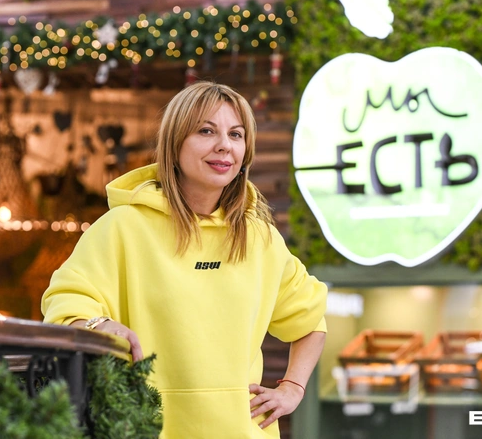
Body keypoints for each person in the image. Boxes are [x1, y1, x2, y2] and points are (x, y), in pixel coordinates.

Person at [41, 81, 327, 438]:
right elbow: (65, 303)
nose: (224, 145)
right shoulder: (123, 227)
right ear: (174, 145)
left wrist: (293, 387)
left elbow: (311, 320)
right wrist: (98, 325)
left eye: (236, 134)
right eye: (206, 131)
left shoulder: (260, 238)